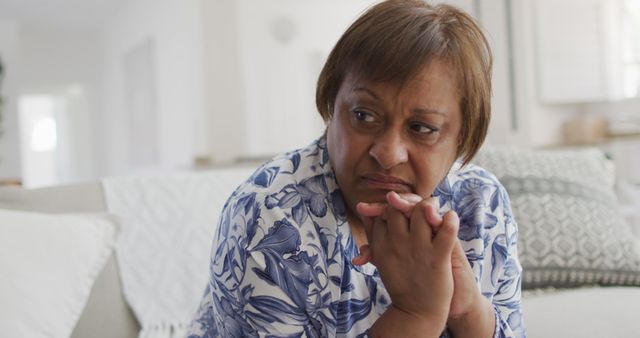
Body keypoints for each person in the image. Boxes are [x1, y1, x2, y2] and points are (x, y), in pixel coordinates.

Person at [188, 0, 525, 337]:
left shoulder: (481, 205)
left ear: (462, 138)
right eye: (363, 115)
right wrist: (416, 314)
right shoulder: (270, 217)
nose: (388, 153)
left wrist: (468, 310)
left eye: (422, 128)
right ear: (331, 105)